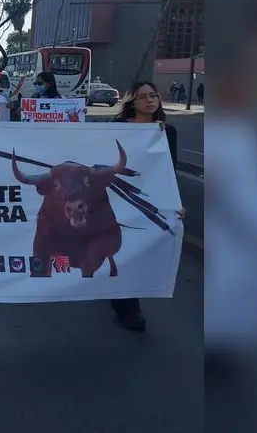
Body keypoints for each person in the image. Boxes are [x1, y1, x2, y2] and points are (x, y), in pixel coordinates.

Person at [109, 81, 186, 332]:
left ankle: (132, 300)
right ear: (132, 103)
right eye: (142, 97)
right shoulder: (117, 128)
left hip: (150, 200)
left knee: (140, 252)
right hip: (118, 195)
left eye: (153, 95)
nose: (150, 100)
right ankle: (126, 307)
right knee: (121, 250)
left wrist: (175, 202)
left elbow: (169, 170)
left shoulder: (167, 131)